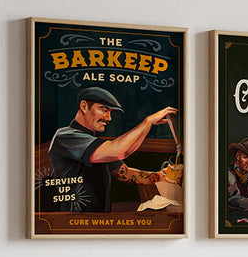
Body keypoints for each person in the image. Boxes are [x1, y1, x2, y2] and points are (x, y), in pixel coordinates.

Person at [46, 86, 178, 212]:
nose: (109, 118)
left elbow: (125, 173)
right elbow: (120, 151)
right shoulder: (65, 136)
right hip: (72, 222)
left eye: (110, 112)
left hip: (99, 218)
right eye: (104, 110)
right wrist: (148, 122)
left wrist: (161, 176)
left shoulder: (95, 144)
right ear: (84, 106)